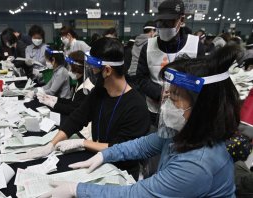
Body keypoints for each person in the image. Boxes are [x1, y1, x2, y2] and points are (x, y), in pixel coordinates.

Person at [43, 45, 241, 198]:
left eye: (175, 97)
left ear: (203, 106)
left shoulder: (197, 164)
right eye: (168, 95)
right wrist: (105, 156)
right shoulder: (183, 130)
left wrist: (76, 189)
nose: (166, 104)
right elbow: (143, 145)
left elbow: (137, 195)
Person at [22, 38, 150, 180]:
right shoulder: (100, 91)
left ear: (107, 70)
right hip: (97, 160)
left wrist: (82, 142)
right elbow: (77, 118)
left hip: (121, 170)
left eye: (93, 68)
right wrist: (51, 144)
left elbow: (120, 149)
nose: (91, 72)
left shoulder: (136, 106)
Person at [135, 0, 205, 126]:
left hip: (184, 111)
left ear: (181, 20)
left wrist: (179, 94)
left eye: (169, 22)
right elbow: (141, 78)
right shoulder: (148, 47)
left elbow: (200, 78)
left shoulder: (195, 46)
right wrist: (159, 93)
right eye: (160, 23)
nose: (163, 27)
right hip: (155, 111)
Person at [37, 50, 94, 115]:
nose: (68, 70)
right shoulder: (80, 81)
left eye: (70, 67)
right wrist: (56, 99)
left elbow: (74, 110)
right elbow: (73, 103)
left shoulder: (85, 88)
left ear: (77, 68)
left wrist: (53, 104)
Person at [127, 21, 156, 87]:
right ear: (152, 31)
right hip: (140, 75)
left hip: (131, 72)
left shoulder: (137, 40)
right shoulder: (150, 43)